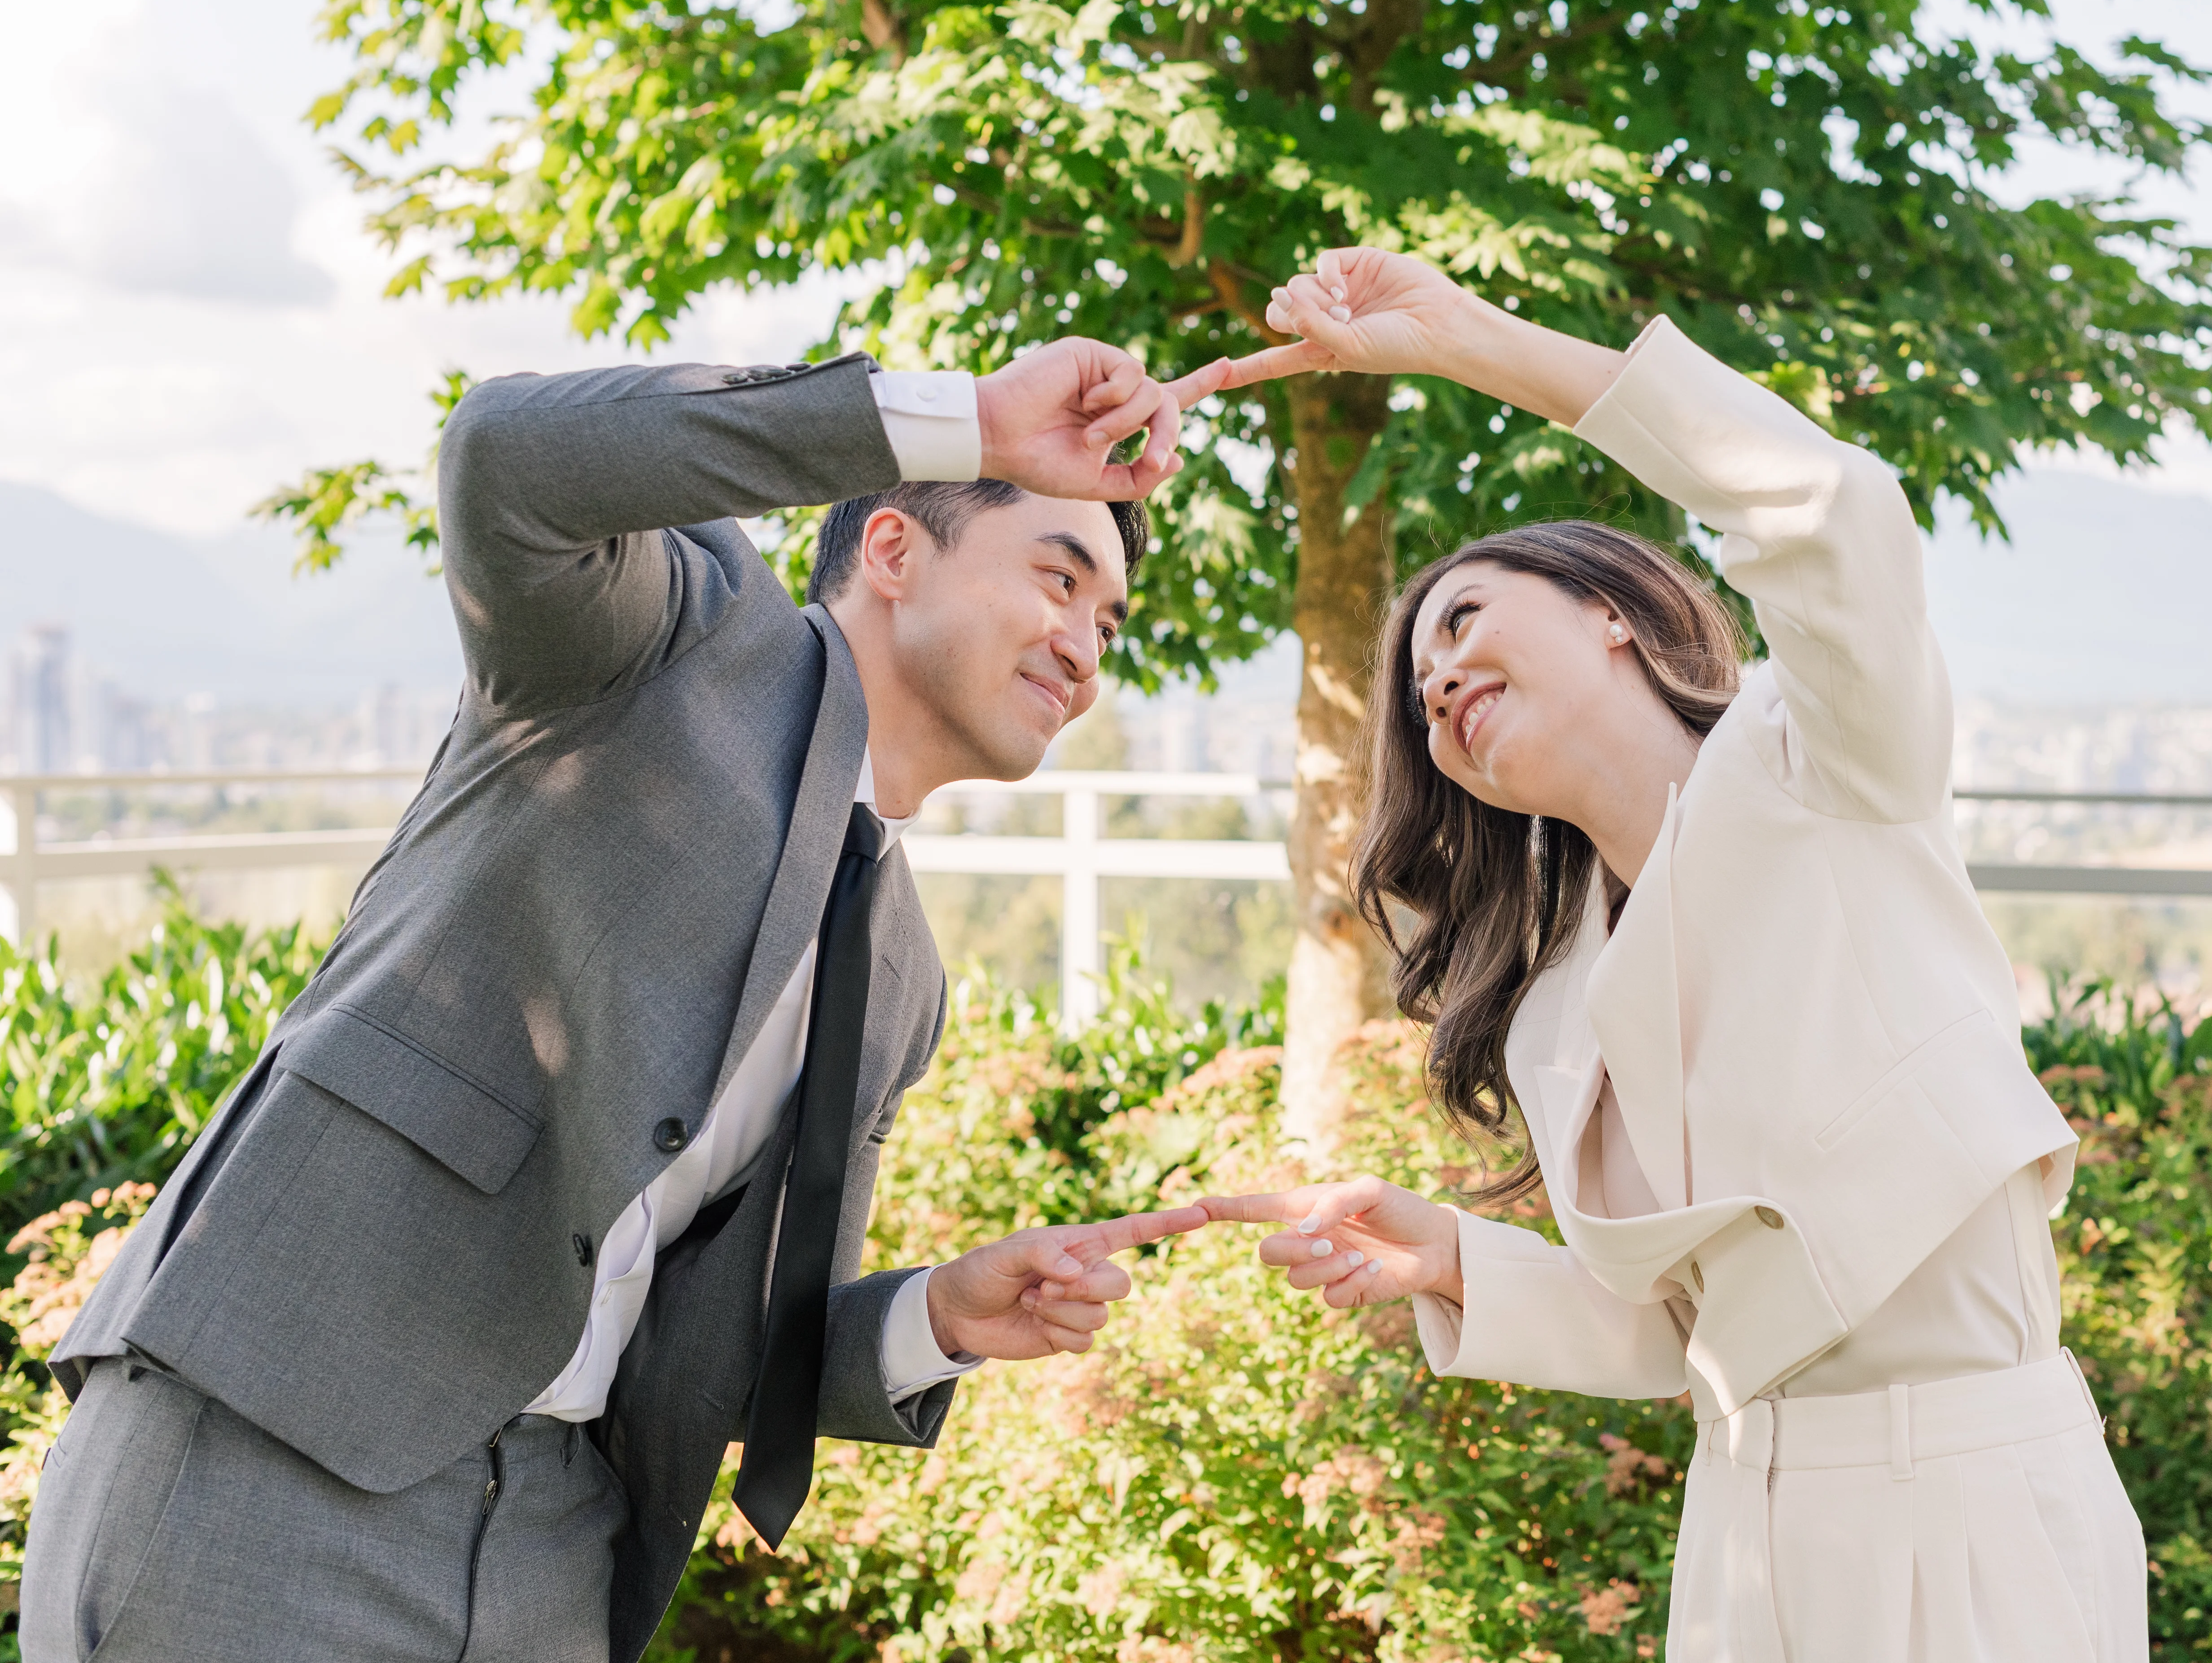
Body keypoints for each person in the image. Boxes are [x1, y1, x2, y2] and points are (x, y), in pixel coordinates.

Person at [23, 335, 1283, 1663]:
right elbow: (506, 461)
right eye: (1058, 576)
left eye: (1110, 622)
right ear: (897, 549)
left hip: (554, 1555)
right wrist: (966, 420)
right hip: (273, 1455)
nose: (1085, 646)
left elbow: (707, 1346)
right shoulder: (675, 635)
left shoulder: (900, 976)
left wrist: (935, 1317)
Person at [1204, 248, 2146, 1663]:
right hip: (1739, 1548)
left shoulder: (1826, 762)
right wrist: (1455, 1258)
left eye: (1463, 619)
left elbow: (1830, 510)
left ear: (1615, 611)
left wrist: (1474, 343)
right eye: (1418, 689)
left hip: (1970, 1505)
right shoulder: (1552, 1005)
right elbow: (1682, 1331)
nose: (1438, 678)